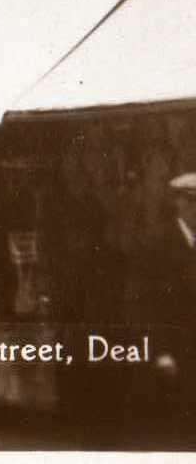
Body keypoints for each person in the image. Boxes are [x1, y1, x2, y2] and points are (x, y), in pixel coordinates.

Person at [134, 172, 196, 445]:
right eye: (191, 202)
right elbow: (150, 304)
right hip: (177, 351)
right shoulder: (159, 244)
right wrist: (161, 352)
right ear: (179, 204)